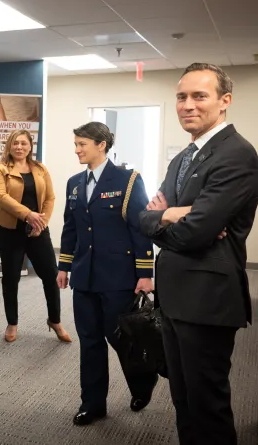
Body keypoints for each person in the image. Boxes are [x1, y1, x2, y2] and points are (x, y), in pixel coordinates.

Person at [139, 63, 258, 445]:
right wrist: (168, 216)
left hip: (207, 301)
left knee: (208, 406)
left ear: (224, 101)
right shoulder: (183, 157)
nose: (187, 105)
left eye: (199, 96)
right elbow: (143, 217)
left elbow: (196, 232)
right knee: (183, 399)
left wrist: (168, 218)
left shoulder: (236, 154)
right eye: (181, 96)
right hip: (173, 296)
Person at [58, 121, 158, 426]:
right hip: (84, 276)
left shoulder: (128, 180)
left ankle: (143, 383)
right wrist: (63, 266)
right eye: (75, 144)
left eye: (82, 144)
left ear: (101, 145)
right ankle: (93, 403)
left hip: (118, 276)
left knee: (122, 339)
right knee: (89, 341)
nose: (76, 150)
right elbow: (71, 227)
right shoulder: (75, 182)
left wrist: (145, 272)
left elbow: (139, 227)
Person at [0, 129, 71, 344]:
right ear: (9, 145)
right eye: (15, 143)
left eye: (24, 143)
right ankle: (12, 323)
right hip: (9, 232)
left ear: (30, 146)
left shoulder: (40, 169)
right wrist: (28, 215)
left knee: (50, 276)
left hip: (38, 231)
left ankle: (55, 320)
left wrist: (41, 222)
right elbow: (1, 197)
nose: (19, 147)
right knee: (11, 278)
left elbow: (50, 198)